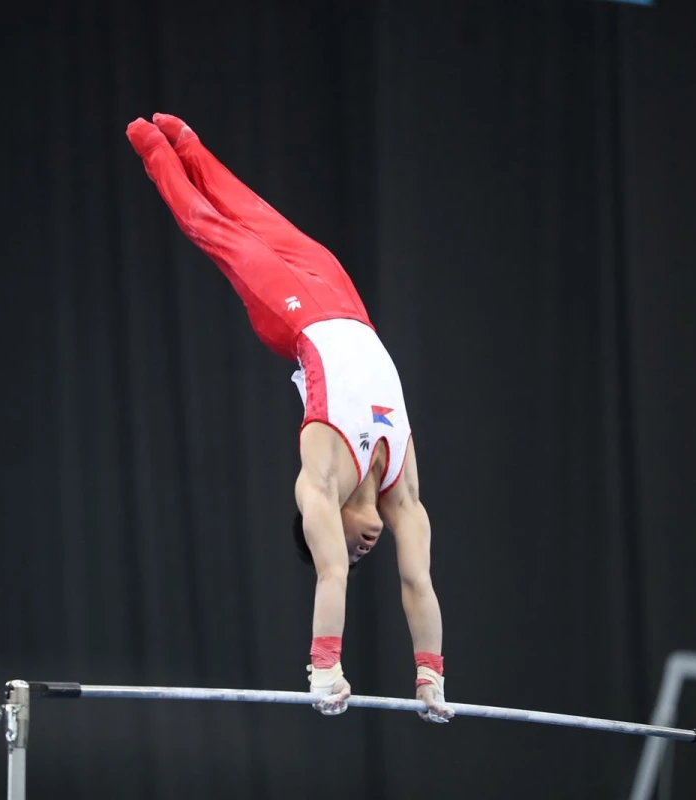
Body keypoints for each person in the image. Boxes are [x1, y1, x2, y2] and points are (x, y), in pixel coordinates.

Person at [126, 113, 454, 723]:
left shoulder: (320, 483)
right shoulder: (401, 490)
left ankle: (157, 148)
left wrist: (324, 668)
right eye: (362, 555)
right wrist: (429, 675)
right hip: (351, 309)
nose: (363, 550)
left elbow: (331, 574)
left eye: (353, 550)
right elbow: (419, 585)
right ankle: (190, 144)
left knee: (219, 229)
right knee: (259, 213)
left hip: (296, 320)